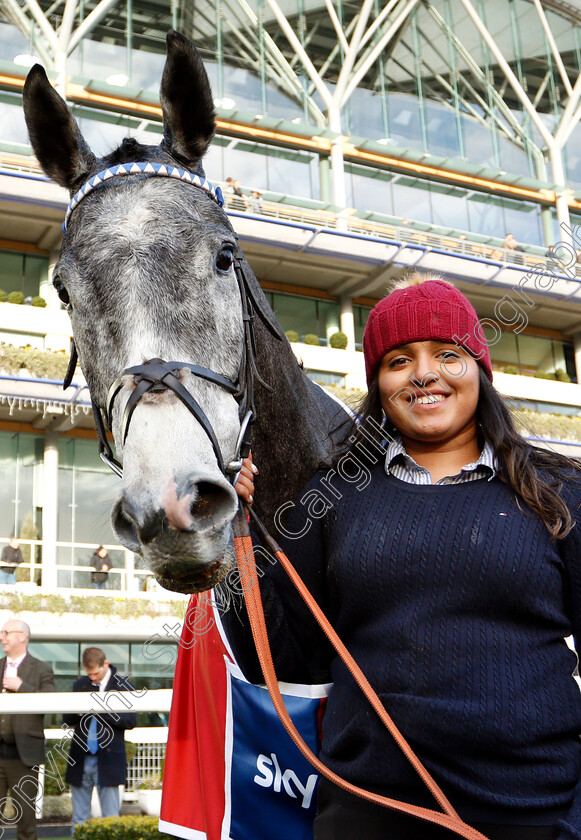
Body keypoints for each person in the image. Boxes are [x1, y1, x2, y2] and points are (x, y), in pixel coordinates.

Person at [230, 272, 581, 840]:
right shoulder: (330, 496)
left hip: (535, 816)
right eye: (398, 360)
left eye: (447, 354)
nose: (423, 374)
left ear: (480, 370)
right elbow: (279, 655)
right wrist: (230, 527)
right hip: (366, 813)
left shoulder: (561, 491)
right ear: (379, 383)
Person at [64, 647, 137, 836]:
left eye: (95, 673)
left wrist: (101, 710)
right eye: (89, 674)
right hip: (80, 758)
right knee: (79, 818)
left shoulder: (124, 685)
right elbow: (67, 718)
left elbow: (130, 721)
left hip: (109, 759)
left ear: (105, 664)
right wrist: (80, 711)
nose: (93, 678)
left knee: (110, 818)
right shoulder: (80, 684)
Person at [0, 619, 56, 840]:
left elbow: (52, 702)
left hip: (24, 756)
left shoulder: (42, 668)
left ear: (22, 637)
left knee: (26, 818)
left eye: (6, 632)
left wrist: (21, 687)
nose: (2, 637)